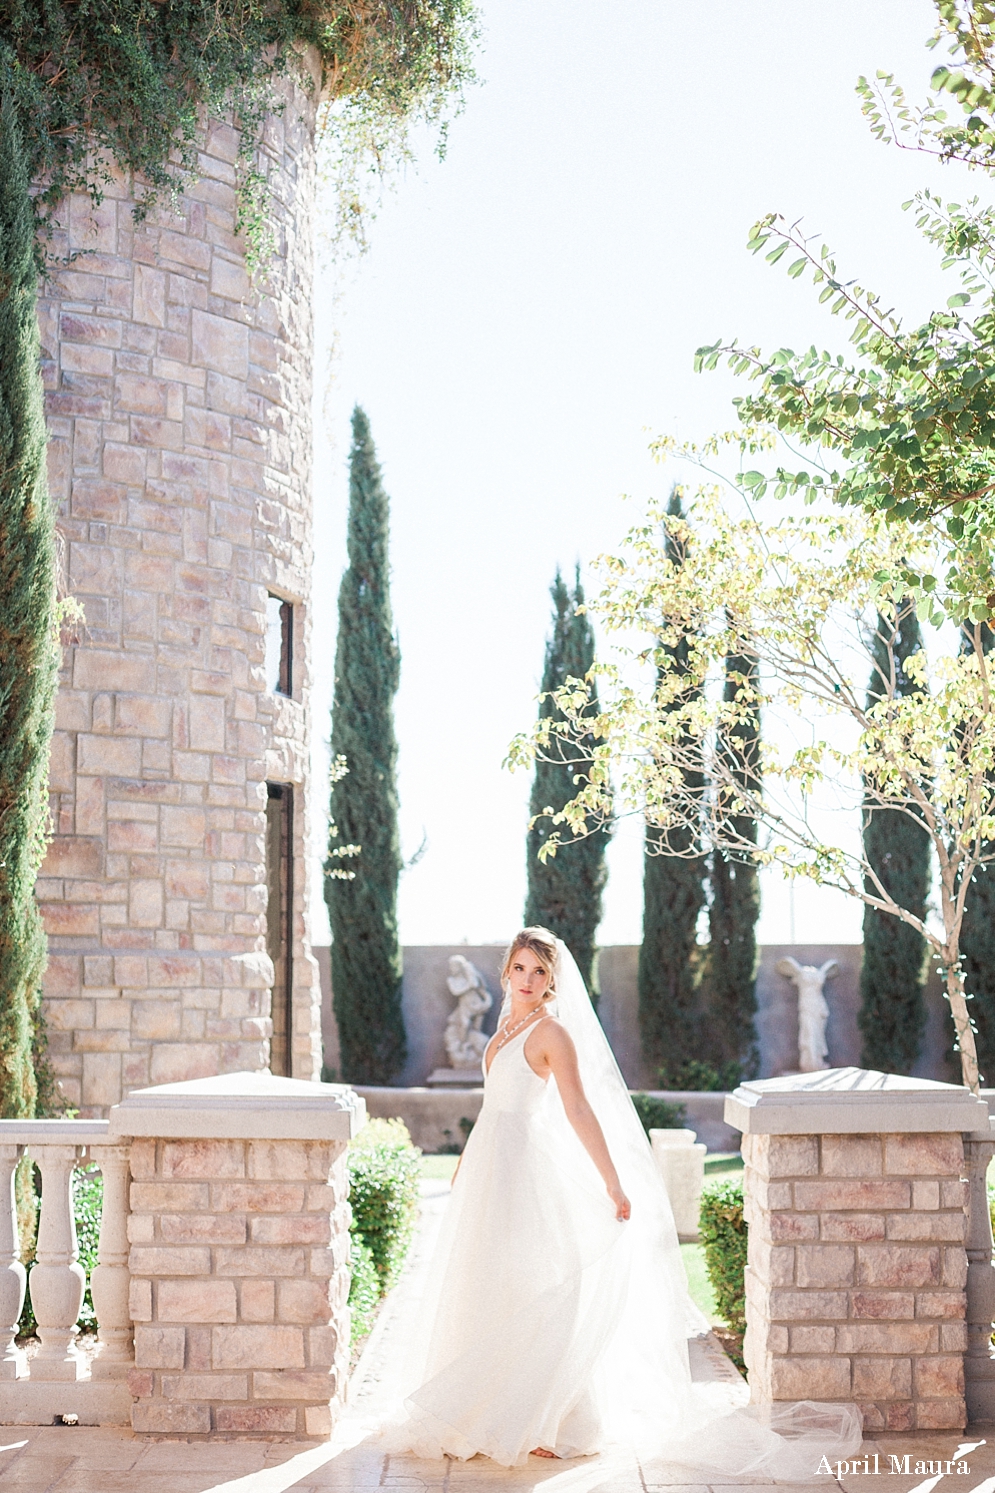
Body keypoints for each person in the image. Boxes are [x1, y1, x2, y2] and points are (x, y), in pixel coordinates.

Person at [395, 926, 862, 1472]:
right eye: (520, 968)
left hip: (525, 1168)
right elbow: (494, 1104)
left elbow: (578, 1110)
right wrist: (464, 1160)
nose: (527, 979)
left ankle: (557, 1419)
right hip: (490, 1168)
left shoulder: (552, 1034)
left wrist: (612, 1182)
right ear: (506, 971)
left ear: (553, 981)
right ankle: (484, 1407)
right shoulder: (504, 1026)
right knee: (488, 1278)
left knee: (537, 1282)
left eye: (539, 972)